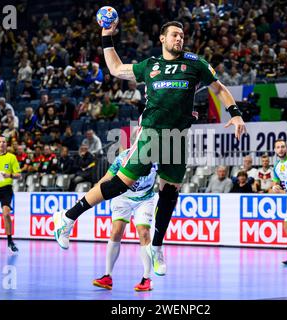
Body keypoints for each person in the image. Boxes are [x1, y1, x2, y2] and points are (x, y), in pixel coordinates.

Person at [53, 20, 246, 277]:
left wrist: (235, 114)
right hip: (151, 134)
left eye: (182, 35)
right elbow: (116, 68)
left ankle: (156, 246)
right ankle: (67, 218)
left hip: (177, 136)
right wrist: (106, 36)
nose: (179, 39)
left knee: (169, 193)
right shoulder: (151, 66)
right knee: (121, 183)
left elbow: (219, 88)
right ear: (162, 39)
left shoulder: (195, 63)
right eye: (175, 35)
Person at [92, 149, 157, 292]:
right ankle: (107, 277)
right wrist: (89, 196)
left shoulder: (157, 157)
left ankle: (146, 278)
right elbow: (107, 178)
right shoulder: (123, 157)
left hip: (145, 198)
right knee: (116, 231)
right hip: (121, 197)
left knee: (144, 233)